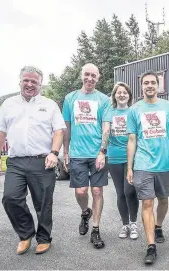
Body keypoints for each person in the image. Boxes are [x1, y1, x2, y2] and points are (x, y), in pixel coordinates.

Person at [0, 66, 66, 255]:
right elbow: (0, 131)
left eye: (34, 81)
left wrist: (54, 153)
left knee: (43, 203)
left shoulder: (49, 105)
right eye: (26, 80)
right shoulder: (9, 104)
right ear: (20, 81)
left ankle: (43, 238)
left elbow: (59, 130)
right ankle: (25, 234)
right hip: (16, 161)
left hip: (43, 161)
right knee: (10, 198)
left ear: (40, 84)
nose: (30, 84)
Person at [126, 70, 169, 264]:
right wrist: (130, 167)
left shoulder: (168, 107)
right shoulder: (134, 110)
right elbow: (132, 140)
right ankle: (151, 246)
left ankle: (158, 226)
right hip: (143, 163)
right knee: (147, 203)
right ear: (141, 86)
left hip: (165, 163)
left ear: (158, 86)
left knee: (163, 199)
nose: (149, 85)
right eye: (146, 83)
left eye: (153, 82)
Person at [62, 63, 111, 249]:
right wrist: (65, 152)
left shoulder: (104, 100)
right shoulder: (70, 98)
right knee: (81, 191)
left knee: (97, 191)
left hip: (96, 154)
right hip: (77, 154)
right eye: (87, 75)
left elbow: (106, 127)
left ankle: (96, 230)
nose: (90, 79)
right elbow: (67, 127)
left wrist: (102, 152)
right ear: (81, 75)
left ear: (98, 78)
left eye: (94, 76)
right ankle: (85, 212)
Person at [102, 82, 139, 239]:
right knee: (120, 193)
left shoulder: (134, 111)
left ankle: (134, 223)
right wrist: (102, 150)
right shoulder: (109, 112)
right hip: (114, 157)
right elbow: (105, 132)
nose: (122, 94)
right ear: (114, 95)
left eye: (125, 92)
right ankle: (125, 225)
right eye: (119, 92)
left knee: (130, 191)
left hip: (132, 157)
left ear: (129, 96)